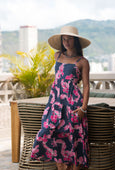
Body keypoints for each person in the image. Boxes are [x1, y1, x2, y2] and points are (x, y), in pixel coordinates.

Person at [31, 26, 91, 170]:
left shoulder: (82, 61)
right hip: (55, 103)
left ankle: (68, 166)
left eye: (69, 39)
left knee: (71, 137)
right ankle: (58, 163)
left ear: (75, 41)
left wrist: (84, 108)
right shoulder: (57, 56)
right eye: (64, 39)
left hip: (73, 104)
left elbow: (87, 86)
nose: (66, 42)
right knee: (46, 131)